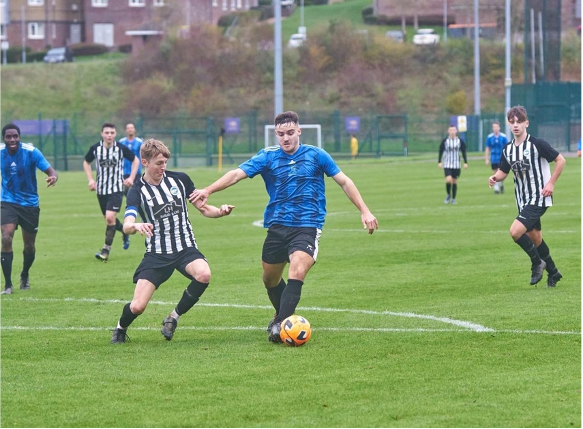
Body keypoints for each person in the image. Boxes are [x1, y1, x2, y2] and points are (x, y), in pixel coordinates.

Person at [191, 111, 378, 344]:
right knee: (270, 280)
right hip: (277, 226)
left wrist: (365, 210)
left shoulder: (316, 155)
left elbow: (344, 181)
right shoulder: (267, 157)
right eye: (281, 134)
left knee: (297, 270)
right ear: (275, 134)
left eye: (290, 133)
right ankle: (280, 316)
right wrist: (208, 190)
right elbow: (236, 174)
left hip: (307, 226)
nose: (286, 138)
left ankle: (281, 324)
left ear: (299, 131)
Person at [109, 138, 234, 344]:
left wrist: (220, 211)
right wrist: (137, 226)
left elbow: (203, 208)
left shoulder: (180, 180)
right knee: (137, 306)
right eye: (159, 163)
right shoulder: (137, 191)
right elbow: (127, 224)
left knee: (204, 274)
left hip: (185, 248)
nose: (163, 167)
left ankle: (172, 318)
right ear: (145, 162)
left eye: (165, 162)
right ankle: (121, 328)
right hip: (157, 253)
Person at [488, 105, 566, 287]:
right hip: (522, 200)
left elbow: (560, 160)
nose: (516, 125)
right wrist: (494, 178)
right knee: (536, 238)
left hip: (539, 197)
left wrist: (551, 183)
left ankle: (537, 263)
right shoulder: (508, 149)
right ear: (509, 124)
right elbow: (503, 171)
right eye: (512, 122)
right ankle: (554, 272)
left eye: (519, 121)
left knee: (515, 231)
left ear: (526, 123)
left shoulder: (537, 144)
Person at [0, 124, 58, 295]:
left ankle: (24, 274)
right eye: (8, 137)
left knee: (29, 245)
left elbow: (51, 171)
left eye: (15, 136)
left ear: (19, 137)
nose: (12, 140)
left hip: (30, 204)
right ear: (3, 138)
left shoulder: (31, 152)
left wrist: (53, 177)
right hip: (7, 201)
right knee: (6, 237)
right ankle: (8, 284)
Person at [83, 123, 139, 261]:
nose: (109, 135)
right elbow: (86, 162)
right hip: (101, 190)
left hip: (116, 188)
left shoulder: (120, 148)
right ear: (102, 134)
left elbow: (135, 160)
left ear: (115, 134)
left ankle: (105, 252)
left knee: (109, 218)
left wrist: (131, 178)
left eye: (112, 133)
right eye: (107, 132)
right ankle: (124, 231)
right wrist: (90, 180)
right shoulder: (96, 148)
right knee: (110, 220)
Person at [438, 125, 468, 205]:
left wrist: (465, 162)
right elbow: (440, 151)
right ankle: (448, 194)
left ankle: (453, 198)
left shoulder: (460, 141)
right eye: (450, 130)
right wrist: (439, 161)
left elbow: (463, 151)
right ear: (448, 131)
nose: (452, 132)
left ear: (456, 131)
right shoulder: (445, 141)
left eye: (453, 130)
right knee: (448, 180)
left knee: (454, 181)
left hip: (456, 164)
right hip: (447, 163)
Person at [484, 121, 508, 194]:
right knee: (495, 172)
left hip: (501, 158)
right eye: (494, 127)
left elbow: (507, 147)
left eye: (497, 127)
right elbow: (487, 148)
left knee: (501, 171)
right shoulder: (490, 137)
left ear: (499, 128)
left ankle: (501, 184)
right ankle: (496, 187)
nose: (495, 128)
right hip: (494, 158)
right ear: (492, 128)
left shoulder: (503, 137)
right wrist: (487, 159)